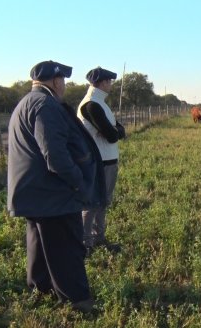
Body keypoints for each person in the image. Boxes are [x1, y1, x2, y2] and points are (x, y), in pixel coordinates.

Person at [7, 60, 106, 313]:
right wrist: (78, 182)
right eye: (63, 80)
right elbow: (56, 156)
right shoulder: (46, 106)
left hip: (32, 192)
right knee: (67, 248)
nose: (64, 85)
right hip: (52, 194)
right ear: (54, 81)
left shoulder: (26, 102)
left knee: (39, 244)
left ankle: (40, 290)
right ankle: (78, 302)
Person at [77, 67, 125, 255]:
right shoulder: (91, 105)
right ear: (103, 83)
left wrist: (115, 130)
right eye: (109, 81)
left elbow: (114, 129)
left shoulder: (99, 103)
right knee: (92, 203)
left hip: (107, 159)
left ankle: (98, 239)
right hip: (99, 161)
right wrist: (115, 131)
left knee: (103, 201)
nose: (111, 85)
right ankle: (86, 244)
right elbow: (113, 135)